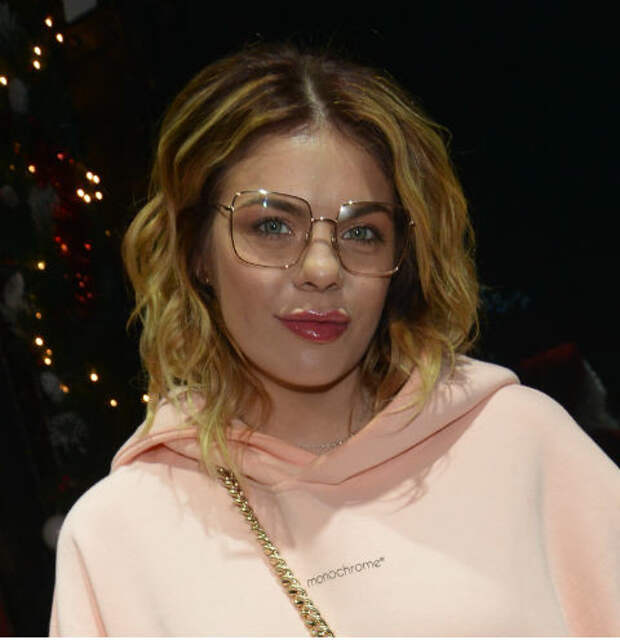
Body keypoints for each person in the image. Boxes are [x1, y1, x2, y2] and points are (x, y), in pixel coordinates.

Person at [49, 43, 619, 637]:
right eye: (272, 225)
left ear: (401, 258)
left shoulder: (521, 444)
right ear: (197, 251)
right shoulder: (117, 536)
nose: (322, 268)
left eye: (362, 232)